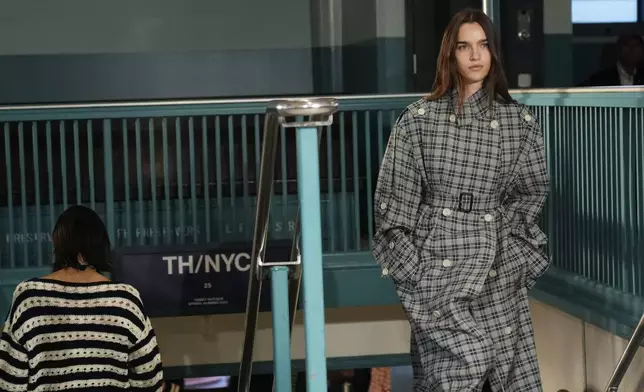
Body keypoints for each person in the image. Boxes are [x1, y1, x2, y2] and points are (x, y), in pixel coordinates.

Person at [372, 8, 549, 392]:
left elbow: (531, 194)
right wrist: (417, 275)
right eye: (464, 47)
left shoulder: (520, 123)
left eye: (483, 45)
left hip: (497, 268)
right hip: (437, 269)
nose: (475, 56)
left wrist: (515, 252)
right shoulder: (418, 121)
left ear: (494, 53)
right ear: (449, 55)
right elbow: (392, 210)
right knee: (455, 372)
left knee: (505, 376)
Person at [0, 205, 164, 391]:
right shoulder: (125, 300)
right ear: (101, 245)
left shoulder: (28, 298)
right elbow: (151, 378)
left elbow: (9, 380)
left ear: (58, 244)